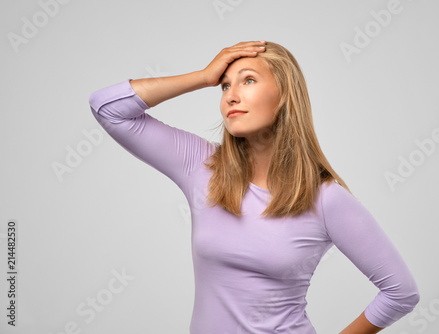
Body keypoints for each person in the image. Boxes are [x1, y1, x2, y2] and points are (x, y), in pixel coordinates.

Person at [89, 41, 419, 333]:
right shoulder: (202, 167)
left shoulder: (325, 199)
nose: (231, 95)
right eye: (224, 86)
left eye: (248, 80)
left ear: (284, 96)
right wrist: (203, 76)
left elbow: (401, 292)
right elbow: (108, 109)